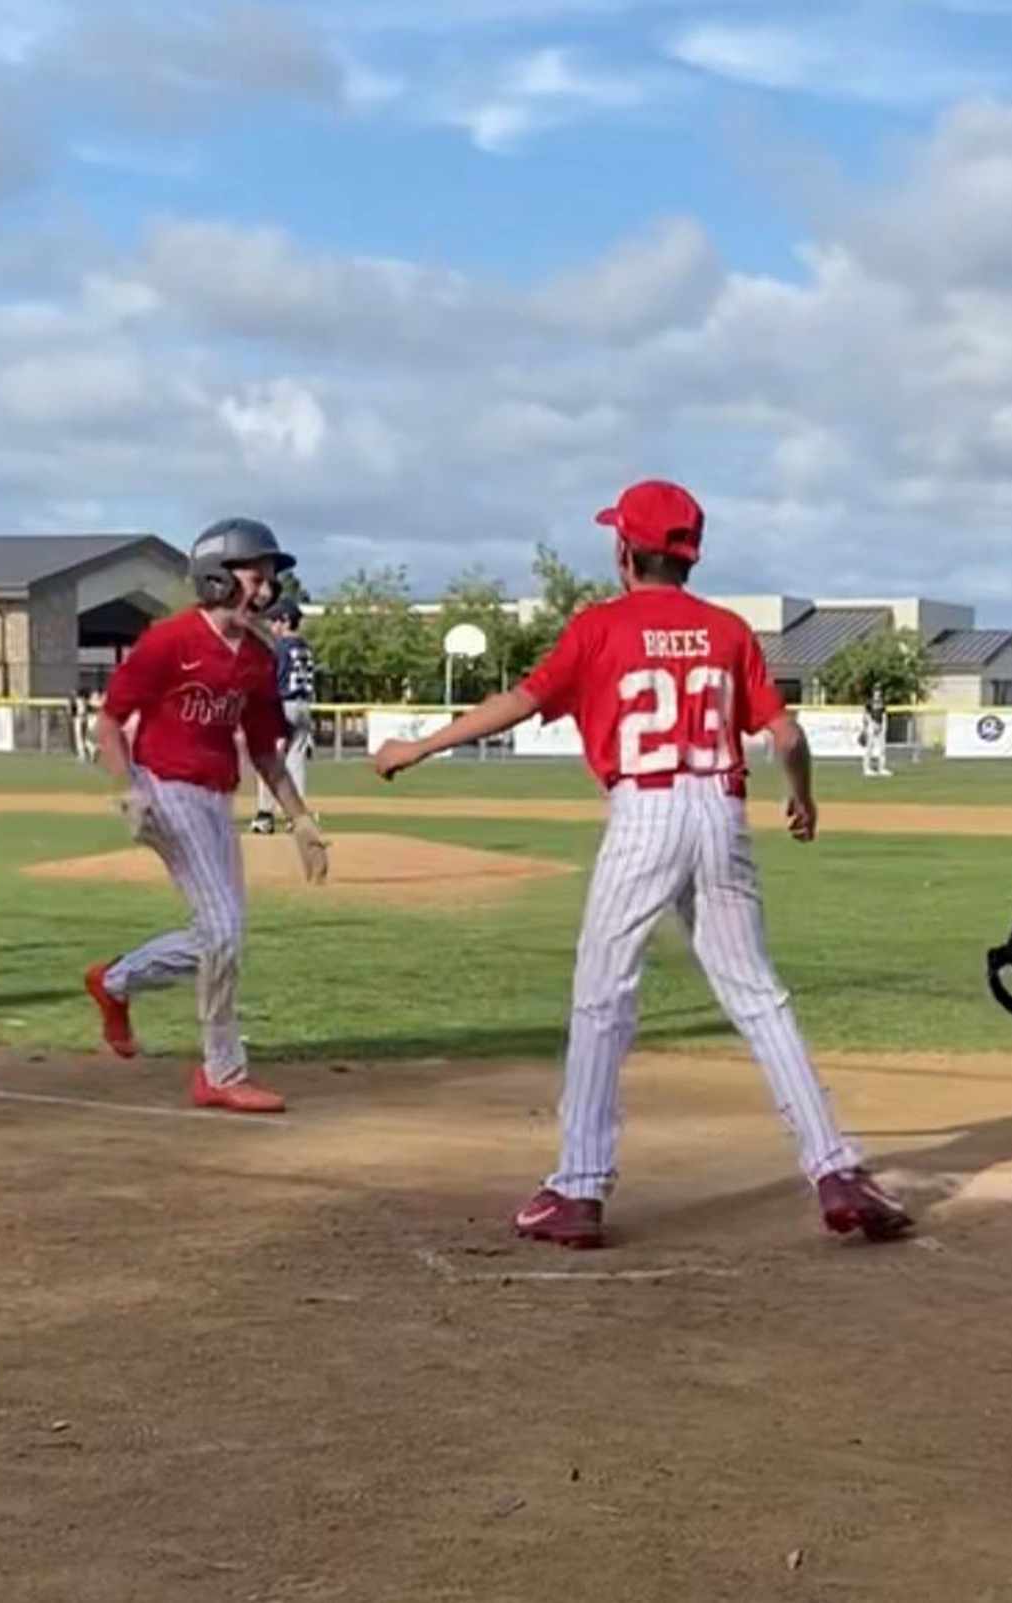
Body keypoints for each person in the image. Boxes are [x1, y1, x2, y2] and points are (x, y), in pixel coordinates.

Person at [374, 479, 910, 1248]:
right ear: (689, 554)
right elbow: (787, 736)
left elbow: (523, 702)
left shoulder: (599, 627)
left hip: (645, 812)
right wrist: (803, 798)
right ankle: (836, 1169)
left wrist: (419, 745)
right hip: (721, 810)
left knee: (603, 996)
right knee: (757, 995)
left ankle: (578, 1187)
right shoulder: (726, 629)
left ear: (625, 550)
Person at [82, 518, 329, 1113]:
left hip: (216, 799)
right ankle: (221, 1071)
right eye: (256, 575)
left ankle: (115, 981)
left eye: (270, 578)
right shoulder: (169, 641)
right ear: (216, 578)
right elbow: (111, 720)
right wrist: (127, 789)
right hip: (163, 789)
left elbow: (266, 750)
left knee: (224, 937)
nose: (266, 590)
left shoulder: (256, 659)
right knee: (222, 931)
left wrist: (300, 820)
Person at [251, 601, 317, 835]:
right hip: (303, 705)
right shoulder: (305, 647)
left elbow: (270, 680)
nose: (272, 625)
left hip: (283, 705)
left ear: (286, 620)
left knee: (268, 757)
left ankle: (265, 815)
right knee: (296, 761)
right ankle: (296, 817)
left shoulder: (279, 647)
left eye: (276, 620)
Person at [860, 686, 891, 778]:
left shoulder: (882, 702)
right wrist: (872, 724)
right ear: (873, 693)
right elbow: (866, 715)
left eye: (879, 691)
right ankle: (866, 769)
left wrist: (885, 726)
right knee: (869, 747)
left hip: (881, 726)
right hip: (872, 726)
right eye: (876, 691)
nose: (877, 693)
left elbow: (884, 714)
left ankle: (881, 768)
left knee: (882, 748)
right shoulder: (869, 702)